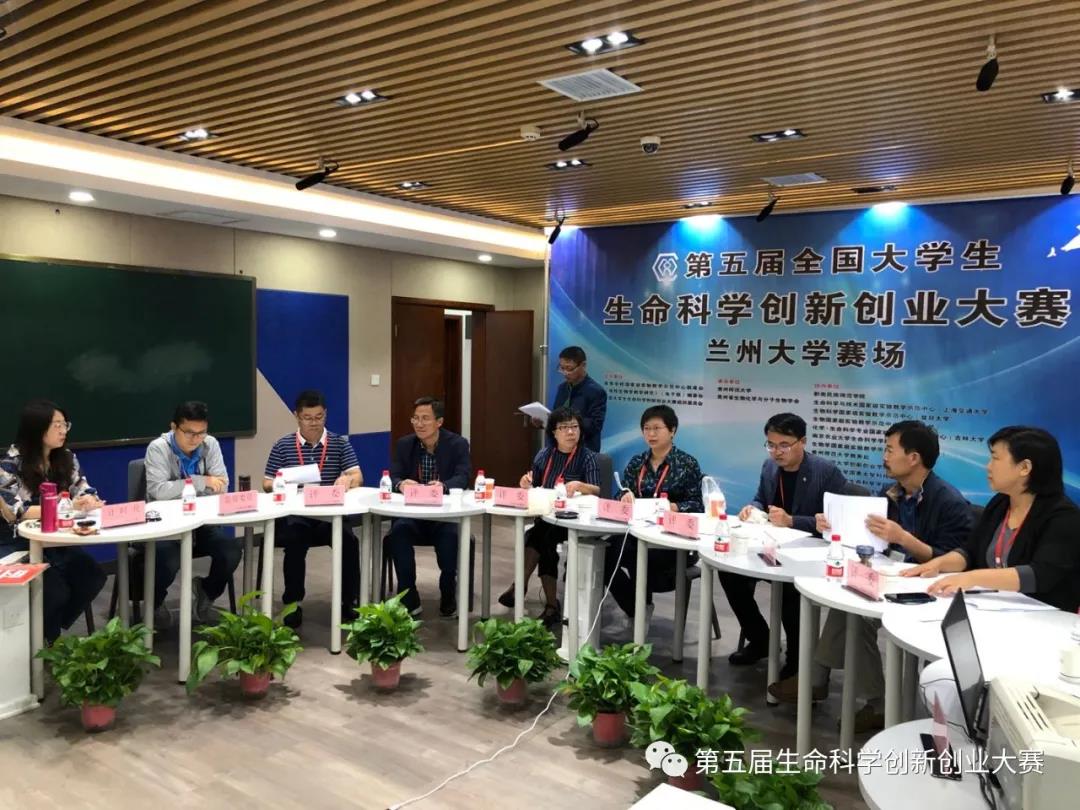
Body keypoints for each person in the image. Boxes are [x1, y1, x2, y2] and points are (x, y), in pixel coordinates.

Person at [768, 421, 974, 731]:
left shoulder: (948, 501)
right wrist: (831, 525)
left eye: (890, 450)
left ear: (914, 458)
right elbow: (872, 543)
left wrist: (903, 538)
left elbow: (952, 562)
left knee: (860, 619)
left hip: (930, 591)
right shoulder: (889, 494)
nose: (884, 457)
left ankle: (868, 700)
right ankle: (818, 680)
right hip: (892, 577)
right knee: (848, 600)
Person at [722, 413, 846, 678]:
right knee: (728, 572)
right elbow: (760, 499)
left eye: (784, 445)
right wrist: (752, 509)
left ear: (803, 442)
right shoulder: (769, 468)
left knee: (789, 590)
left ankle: (796, 660)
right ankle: (761, 639)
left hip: (809, 557)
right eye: (771, 445)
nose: (776, 452)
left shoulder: (825, 472)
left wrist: (792, 521)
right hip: (771, 548)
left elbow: (837, 522)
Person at [903, 426, 1080, 611]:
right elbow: (970, 552)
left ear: (1025, 468)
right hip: (995, 609)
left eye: (995, 458)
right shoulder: (1000, 503)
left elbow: (1039, 575)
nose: (988, 466)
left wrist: (972, 578)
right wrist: (938, 564)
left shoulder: (1063, 516)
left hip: (1048, 617)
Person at [0, 400, 106, 643]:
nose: (63, 430)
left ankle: (45, 635)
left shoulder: (66, 457)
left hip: (55, 541)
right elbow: (15, 511)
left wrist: (89, 499)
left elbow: (82, 488)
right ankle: (43, 640)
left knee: (92, 577)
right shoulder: (10, 464)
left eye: (65, 424)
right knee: (55, 592)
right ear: (37, 429)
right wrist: (65, 507)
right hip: (19, 542)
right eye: (56, 425)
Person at [263, 390, 363, 628]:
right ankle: (293, 603)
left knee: (349, 542)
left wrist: (347, 480)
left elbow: (358, 476)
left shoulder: (339, 443)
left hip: (330, 514)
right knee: (295, 542)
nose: (314, 423)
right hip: (298, 515)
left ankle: (349, 600)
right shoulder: (283, 445)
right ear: (297, 416)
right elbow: (266, 483)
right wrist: (283, 483)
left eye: (319, 417)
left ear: (325, 414)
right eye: (308, 418)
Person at [497, 407, 600, 627]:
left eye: (574, 427)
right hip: (546, 516)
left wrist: (581, 485)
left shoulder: (587, 457)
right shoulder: (545, 455)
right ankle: (548, 604)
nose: (570, 432)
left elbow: (597, 490)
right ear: (554, 432)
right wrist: (525, 483)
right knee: (539, 537)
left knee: (541, 538)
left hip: (573, 521)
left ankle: (526, 590)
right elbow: (534, 485)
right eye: (564, 427)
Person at [603, 404, 703, 625]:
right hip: (637, 533)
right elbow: (621, 492)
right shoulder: (637, 462)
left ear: (672, 430)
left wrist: (674, 507)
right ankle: (636, 609)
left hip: (671, 539)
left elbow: (698, 505)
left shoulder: (687, 464)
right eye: (646, 429)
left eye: (657, 428)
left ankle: (640, 609)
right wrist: (624, 496)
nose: (651, 434)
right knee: (604, 554)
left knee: (640, 557)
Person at [144, 401, 242, 625]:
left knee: (231, 552)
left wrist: (181, 488)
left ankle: (207, 591)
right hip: (168, 526)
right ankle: (155, 602)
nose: (196, 439)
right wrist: (202, 481)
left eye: (201, 432)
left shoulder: (210, 444)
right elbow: (159, 491)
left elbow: (222, 486)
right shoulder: (158, 448)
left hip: (202, 522)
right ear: (174, 427)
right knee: (168, 560)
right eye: (189, 433)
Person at [386, 397, 472, 618]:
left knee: (450, 539)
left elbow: (463, 477)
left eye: (425, 419)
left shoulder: (458, 444)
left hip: (443, 515)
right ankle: (409, 597)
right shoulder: (405, 444)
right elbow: (393, 476)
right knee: (398, 533)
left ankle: (448, 592)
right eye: (415, 418)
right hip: (411, 514)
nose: (419, 424)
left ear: (439, 422)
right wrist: (401, 484)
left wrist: (443, 486)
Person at [533, 346, 607, 452]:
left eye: (569, 369)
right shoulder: (562, 388)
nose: (565, 373)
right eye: (562, 368)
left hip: (583, 451)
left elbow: (595, 425)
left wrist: (567, 421)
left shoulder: (596, 391)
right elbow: (556, 417)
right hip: (558, 449)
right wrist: (544, 422)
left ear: (583, 365)